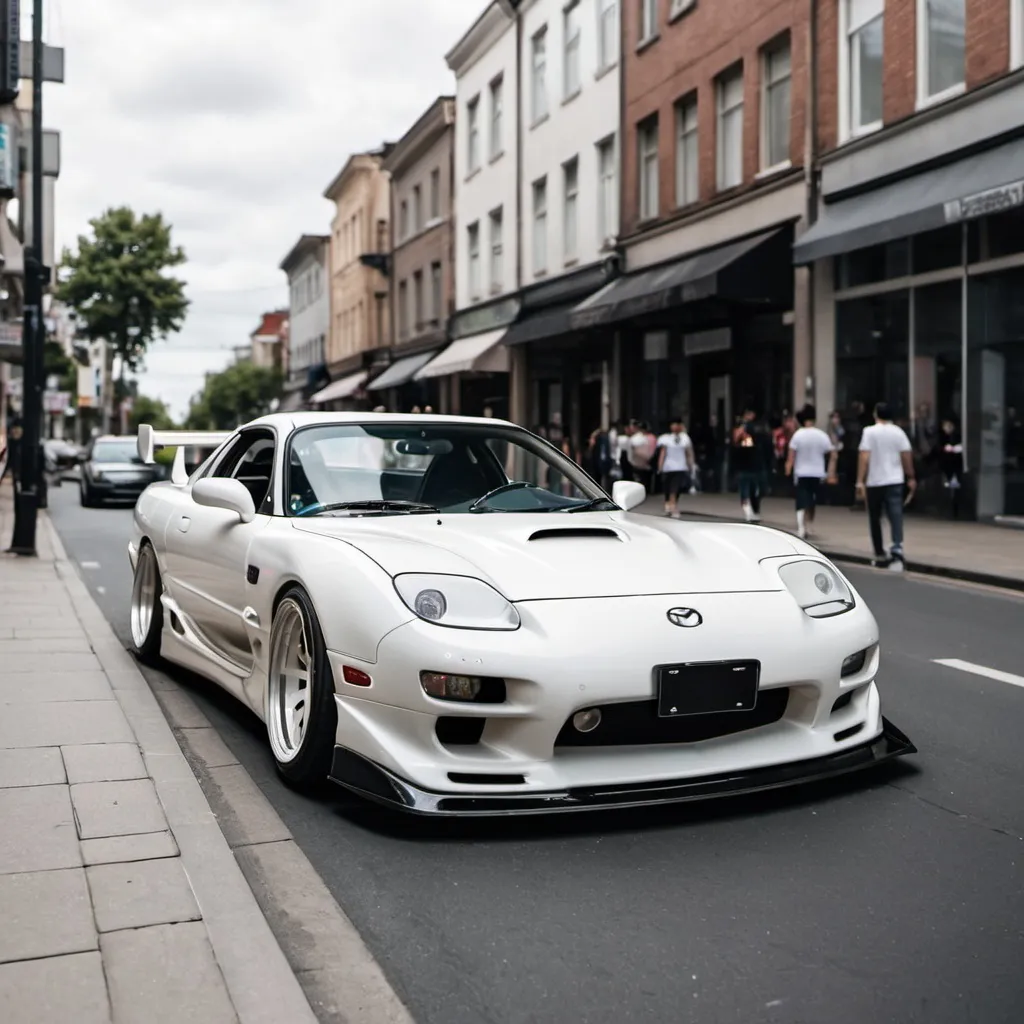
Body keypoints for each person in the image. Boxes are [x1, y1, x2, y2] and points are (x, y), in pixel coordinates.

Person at [856, 402, 916, 571]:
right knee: (895, 515)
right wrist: (910, 476)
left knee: (874, 517)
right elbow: (906, 456)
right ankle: (897, 548)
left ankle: (879, 551)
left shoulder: (869, 432)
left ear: (876, 415)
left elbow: (864, 456)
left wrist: (860, 481)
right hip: (895, 480)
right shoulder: (899, 433)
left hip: (875, 481)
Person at [785, 405, 838, 539]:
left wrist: (788, 468)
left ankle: (801, 527)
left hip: (801, 472)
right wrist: (831, 471)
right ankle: (809, 524)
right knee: (812, 499)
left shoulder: (798, 435)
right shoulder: (822, 435)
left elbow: (791, 455)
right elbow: (833, 454)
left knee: (801, 498)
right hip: (817, 472)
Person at [732, 408, 770, 522]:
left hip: (752, 464)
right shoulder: (744, 428)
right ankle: (750, 511)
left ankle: (753, 510)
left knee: (753, 489)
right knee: (748, 489)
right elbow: (736, 442)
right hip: (747, 464)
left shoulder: (755, 428)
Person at [656, 418, 695, 518]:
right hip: (668, 467)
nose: (675, 426)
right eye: (673, 424)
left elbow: (688, 453)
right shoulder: (665, 438)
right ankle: (668, 503)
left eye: (677, 424)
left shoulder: (685, 438)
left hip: (680, 466)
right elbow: (663, 453)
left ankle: (673, 505)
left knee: (676, 488)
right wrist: (660, 466)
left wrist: (691, 465)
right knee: (667, 487)